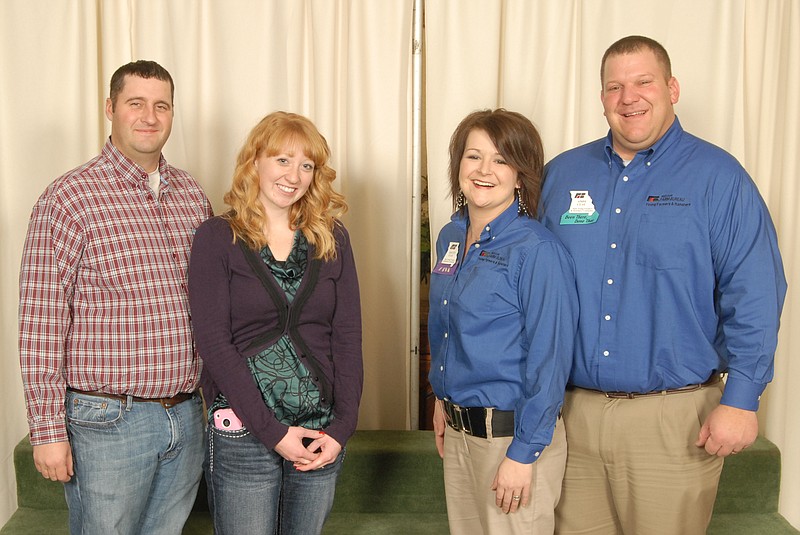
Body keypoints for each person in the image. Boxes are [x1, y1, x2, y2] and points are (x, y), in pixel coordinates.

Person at [539, 35, 787, 535]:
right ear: (602, 98)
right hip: (569, 416)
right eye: (614, 87)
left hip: (673, 421)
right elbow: (524, 288)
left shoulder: (720, 179)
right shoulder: (561, 176)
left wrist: (741, 399)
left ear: (672, 88)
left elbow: (755, 293)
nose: (628, 97)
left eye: (643, 82)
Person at [18, 60, 212, 534]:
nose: (150, 116)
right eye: (136, 103)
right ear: (110, 108)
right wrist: (47, 432)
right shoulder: (68, 198)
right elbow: (41, 323)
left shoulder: (192, 195)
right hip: (107, 420)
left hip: (186, 414)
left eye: (161, 105)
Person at [187, 111, 362, 535]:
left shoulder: (332, 238)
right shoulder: (217, 238)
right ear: (255, 162)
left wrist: (341, 429)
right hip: (243, 429)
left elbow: (348, 338)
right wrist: (272, 431)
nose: (294, 175)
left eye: (307, 165)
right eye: (282, 160)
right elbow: (214, 342)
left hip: (319, 432)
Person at [428, 109, 579, 534]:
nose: (484, 170)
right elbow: (448, 331)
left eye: (500, 160)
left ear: (521, 174)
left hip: (511, 440)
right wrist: (442, 400)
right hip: (459, 433)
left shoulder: (538, 250)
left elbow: (550, 359)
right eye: (473, 157)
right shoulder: (450, 237)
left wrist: (524, 453)